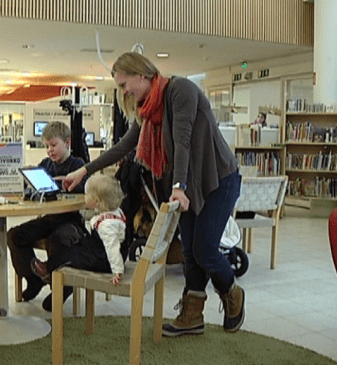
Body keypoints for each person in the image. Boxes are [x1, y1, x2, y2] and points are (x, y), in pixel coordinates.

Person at [62, 52, 244, 336]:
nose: (124, 92)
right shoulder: (147, 110)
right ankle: (192, 315)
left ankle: (232, 291)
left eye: (124, 85)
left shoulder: (180, 90)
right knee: (188, 251)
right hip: (184, 185)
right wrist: (84, 170)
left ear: (141, 75)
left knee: (205, 249)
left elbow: (182, 140)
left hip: (216, 179)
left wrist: (179, 186)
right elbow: (123, 147)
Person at [6, 121, 88, 308]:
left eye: (53, 145)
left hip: (70, 220)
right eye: (46, 146)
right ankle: (33, 279)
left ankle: (63, 286)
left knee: (58, 240)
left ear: (67, 143)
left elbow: (85, 189)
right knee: (14, 235)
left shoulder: (77, 164)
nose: (49, 151)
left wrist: (63, 185)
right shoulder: (45, 165)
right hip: (48, 219)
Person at [31, 174, 127, 309]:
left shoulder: (107, 225)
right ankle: (52, 272)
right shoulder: (114, 212)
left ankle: (49, 269)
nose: (84, 196)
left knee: (70, 255)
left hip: (103, 259)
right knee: (73, 245)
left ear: (97, 202)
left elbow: (112, 248)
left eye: (87, 195)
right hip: (98, 250)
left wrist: (117, 271)